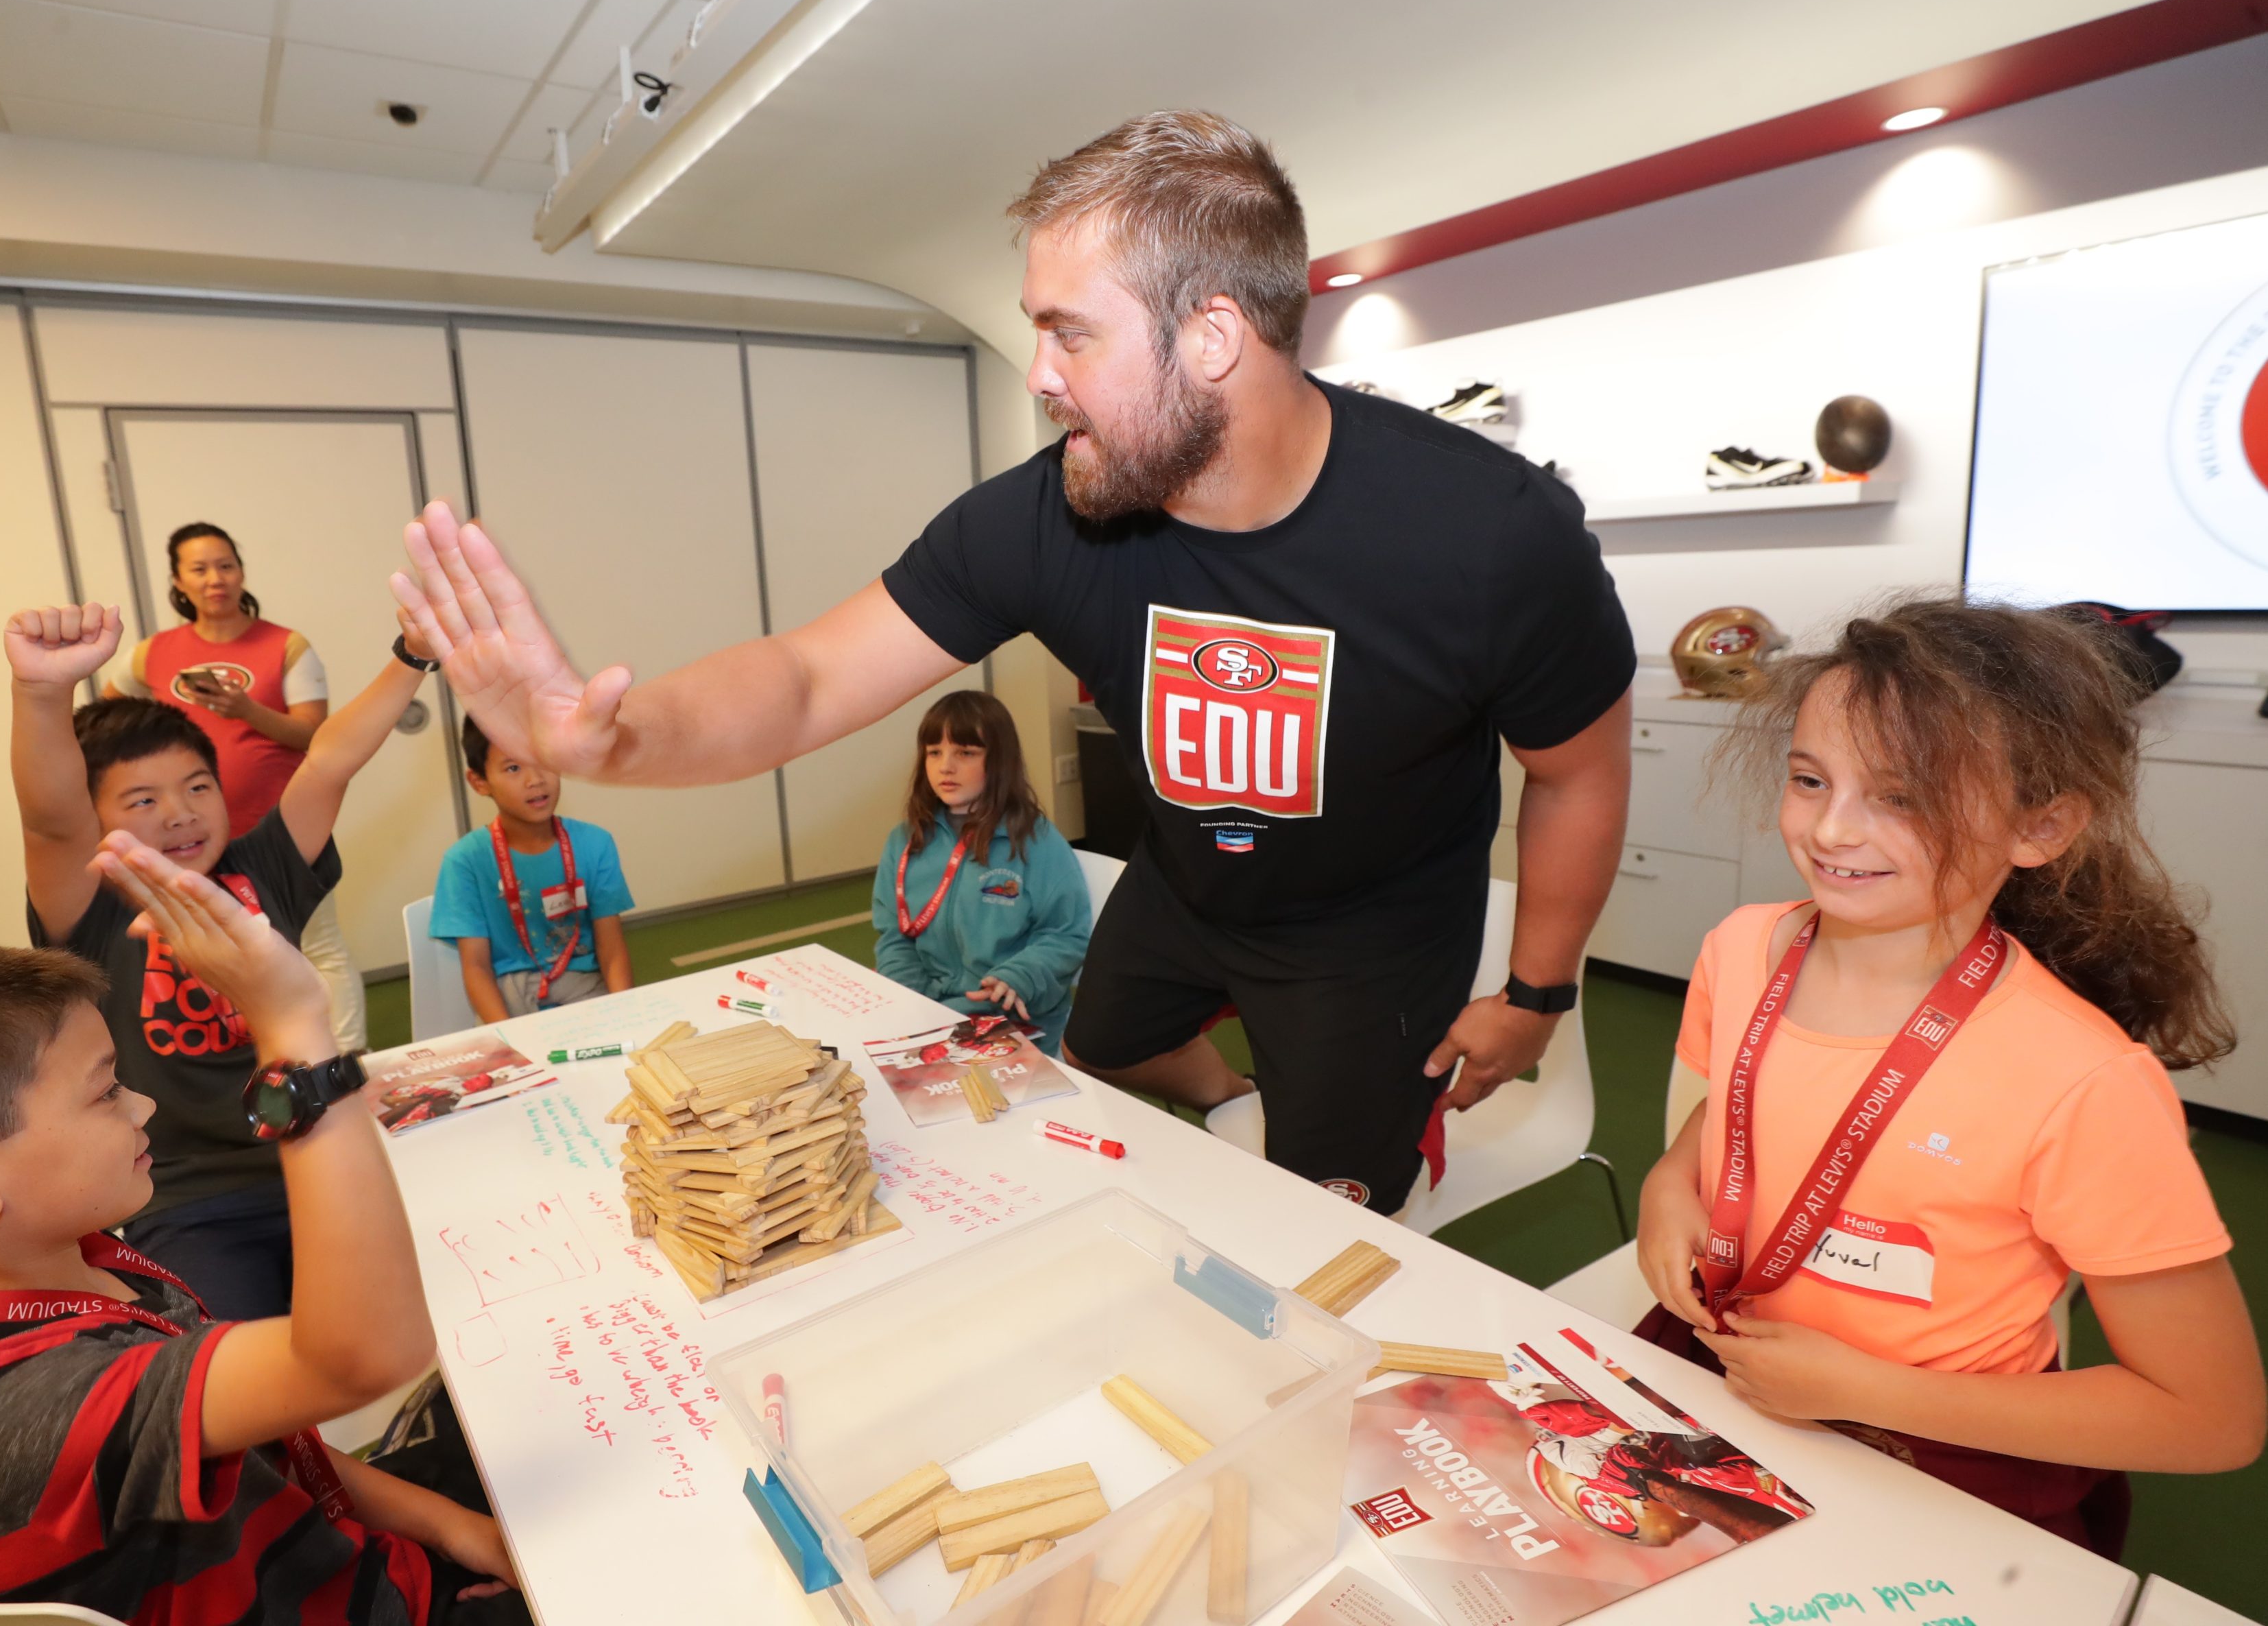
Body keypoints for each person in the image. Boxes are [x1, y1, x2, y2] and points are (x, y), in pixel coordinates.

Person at [392, 111, 1632, 1211]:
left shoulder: (1487, 536)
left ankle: (1315, 1132)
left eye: (1067, 336)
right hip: (1188, 885)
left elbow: (1575, 770)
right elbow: (811, 675)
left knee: (1330, 1226)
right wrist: (611, 740)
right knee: (1099, 1047)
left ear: (1210, 337)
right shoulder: (1046, 516)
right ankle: (1229, 1096)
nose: (1037, 378)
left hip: (1371, 936)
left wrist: (1533, 996)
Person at [0, 835, 525, 1623]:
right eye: (106, 1093)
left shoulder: (85, 1262)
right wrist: (291, 1030)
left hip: (364, 1554)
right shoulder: (4, 1414)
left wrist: (457, 1532)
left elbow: (272, 1453)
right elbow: (367, 1353)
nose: (143, 1107)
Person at [1632, 596, 2265, 1556]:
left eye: (1902, 796)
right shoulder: (1742, 949)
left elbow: (2212, 1418)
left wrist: (1859, 1389)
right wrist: (1667, 1186)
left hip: (1940, 1452)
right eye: (1810, 779)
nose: (1833, 829)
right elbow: (1738, 1112)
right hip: (1728, 1381)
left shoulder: (2083, 1080)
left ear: (2040, 827)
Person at [10, 599, 426, 1319]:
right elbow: (49, 817)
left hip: (321, 1160)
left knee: (429, 1320)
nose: (179, 813)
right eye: (142, 800)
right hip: (193, 1201)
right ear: (97, 820)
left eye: (198, 787)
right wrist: (42, 693)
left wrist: (413, 655)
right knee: (234, 1375)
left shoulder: (266, 867)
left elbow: (330, 758)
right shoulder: (93, 902)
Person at [106, 522, 365, 1050]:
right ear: (178, 581)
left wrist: (245, 710)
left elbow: (315, 732)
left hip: (276, 836)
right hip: (181, 844)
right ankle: (245, 1060)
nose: (215, 578)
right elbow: (107, 726)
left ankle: (347, 1056)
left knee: (317, 948)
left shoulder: (286, 646)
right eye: (199, 569)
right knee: (194, 961)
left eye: (226, 564)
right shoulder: (151, 654)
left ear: (241, 572)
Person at [871, 690, 1090, 1053]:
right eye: (934, 752)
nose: (946, 767)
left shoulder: (1035, 841)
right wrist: (915, 1005)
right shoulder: (905, 842)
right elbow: (895, 936)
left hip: (1017, 1024)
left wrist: (1020, 976)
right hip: (931, 1017)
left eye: (966, 753)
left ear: (999, 761)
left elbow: (1067, 935)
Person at [431, 715, 635, 1022]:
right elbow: (476, 967)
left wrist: (628, 1015)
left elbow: (612, 949)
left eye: (544, 761)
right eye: (513, 768)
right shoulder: (465, 861)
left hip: (584, 988)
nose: (535, 779)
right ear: (480, 782)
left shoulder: (595, 844)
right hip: (507, 999)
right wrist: (509, 1039)